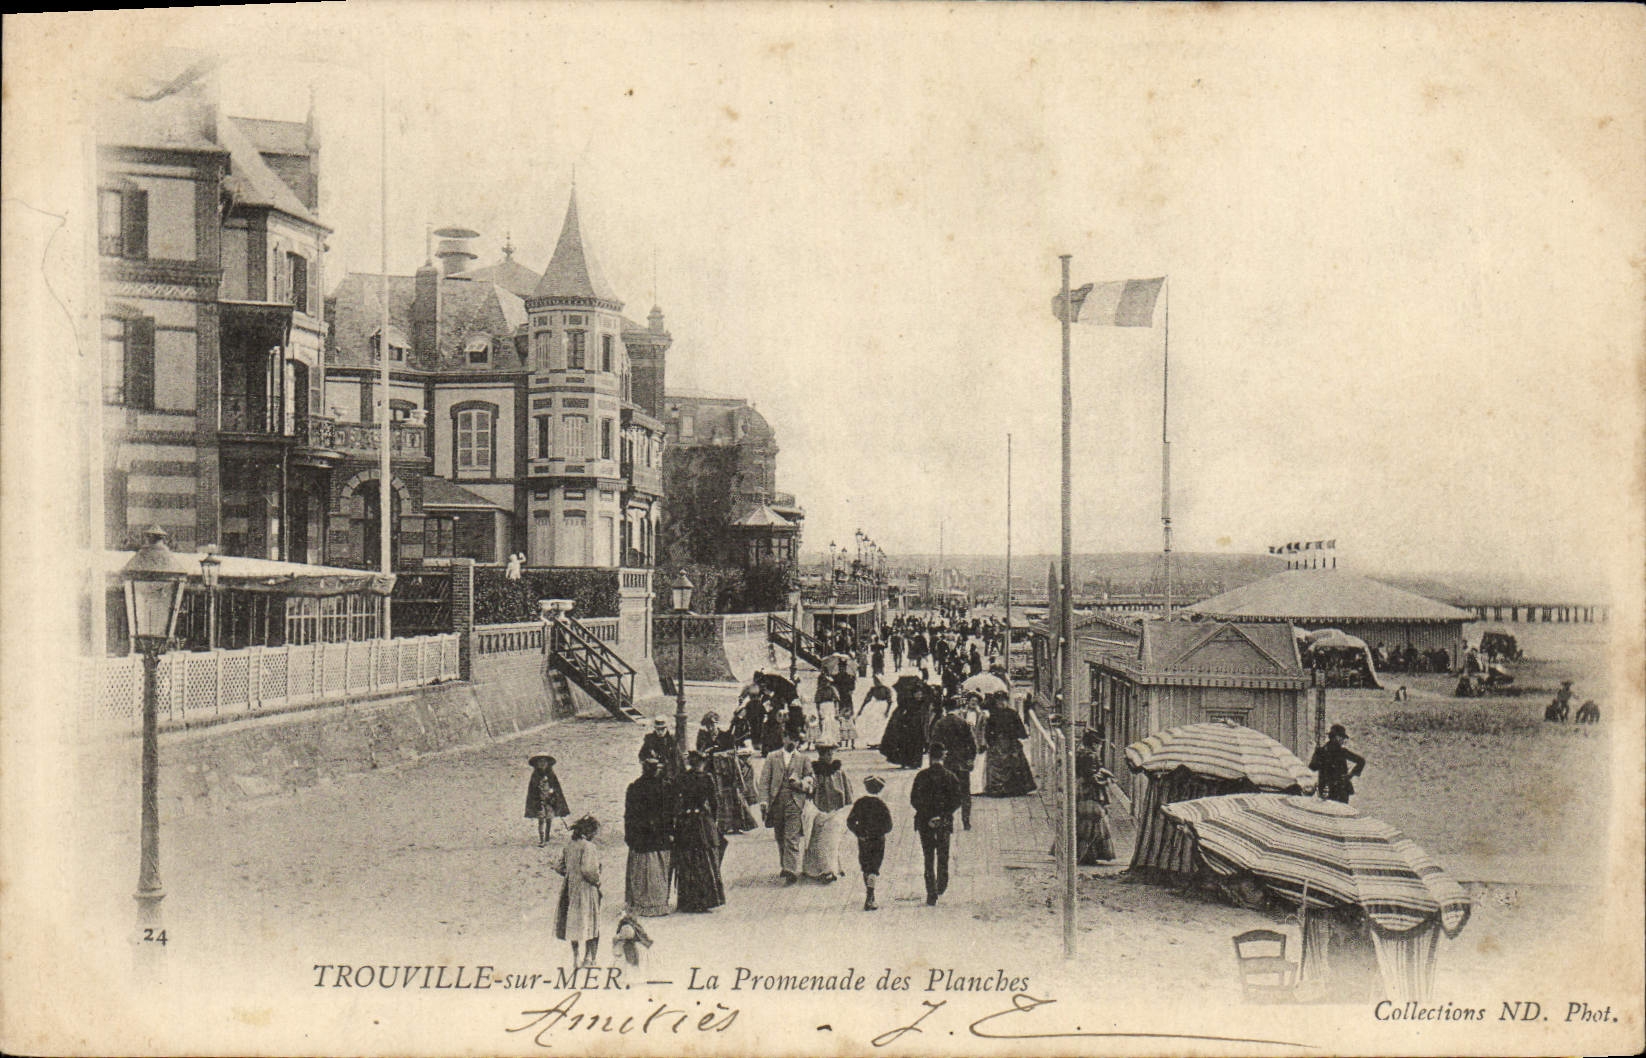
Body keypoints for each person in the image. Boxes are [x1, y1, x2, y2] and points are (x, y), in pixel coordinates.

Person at [910, 742, 965, 906]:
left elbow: (914, 800)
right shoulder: (950, 776)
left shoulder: (921, 776)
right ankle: (941, 885)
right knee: (943, 855)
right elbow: (957, 800)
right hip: (944, 822)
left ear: (929, 757)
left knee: (928, 857)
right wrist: (942, 816)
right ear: (943, 756)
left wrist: (928, 817)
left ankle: (931, 892)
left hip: (925, 823)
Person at [673, 752, 727, 912]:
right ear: (701, 763)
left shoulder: (682, 777)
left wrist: (678, 818)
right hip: (702, 822)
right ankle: (705, 900)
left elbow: (676, 800)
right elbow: (715, 802)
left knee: (687, 858)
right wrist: (713, 820)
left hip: (686, 822)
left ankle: (687, 900)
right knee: (705, 858)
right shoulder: (707, 778)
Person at [623, 755, 674, 917]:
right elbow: (669, 813)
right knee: (656, 869)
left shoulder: (635, 787)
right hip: (656, 837)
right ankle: (655, 902)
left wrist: (630, 833)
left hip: (643, 837)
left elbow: (629, 814)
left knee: (642, 869)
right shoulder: (664, 787)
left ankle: (642, 902)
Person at [759, 736, 814, 883]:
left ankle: (791, 869)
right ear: (783, 739)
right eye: (789, 738)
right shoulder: (772, 757)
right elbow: (764, 780)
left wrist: (802, 784)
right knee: (780, 836)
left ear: (798, 742)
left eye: (795, 740)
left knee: (792, 836)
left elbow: (810, 778)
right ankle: (785, 865)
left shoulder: (803, 759)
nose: (792, 742)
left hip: (794, 802)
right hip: (776, 802)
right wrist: (763, 801)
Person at [554, 815, 603, 966]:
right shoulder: (589, 847)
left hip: (571, 888)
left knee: (573, 923)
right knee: (592, 923)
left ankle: (576, 957)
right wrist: (597, 880)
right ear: (589, 832)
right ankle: (590, 958)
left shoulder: (569, 845)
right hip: (586, 889)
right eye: (594, 832)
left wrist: (570, 874)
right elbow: (588, 869)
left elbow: (559, 866)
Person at [802, 744, 855, 882]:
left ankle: (830, 870)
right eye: (827, 754)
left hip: (834, 811)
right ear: (821, 755)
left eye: (831, 754)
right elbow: (809, 790)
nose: (830, 757)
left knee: (831, 840)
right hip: (818, 810)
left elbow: (846, 789)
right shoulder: (814, 772)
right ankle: (814, 868)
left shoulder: (838, 771)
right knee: (817, 839)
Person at [928, 696, 979, 830]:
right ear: (958, 708)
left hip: (946, 764)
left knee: (945, 793)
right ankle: (966, 821)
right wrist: (970, 760)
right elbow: (973, 745)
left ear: (945, 708)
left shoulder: (939, 724)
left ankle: (947, 820)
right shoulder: (963, 723)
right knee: (965, 793)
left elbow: (934, 745)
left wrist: (933, 763)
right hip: (962, 764)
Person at [846, 774, 894, 911]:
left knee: (865, 867)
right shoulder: (881, 805)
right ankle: (870, 896)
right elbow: (889, 826)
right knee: (874, 867)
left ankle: (869, 894)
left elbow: (850, 821)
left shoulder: (860, 802)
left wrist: (859, 833)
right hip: (878, 841)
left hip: (863, 841)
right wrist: (879, 832)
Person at [981, 694, 1037, 796]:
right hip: (998, 743)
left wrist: (1016, 734)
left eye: (1003, 700)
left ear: (1007, 701)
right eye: (999, 701)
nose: (1001, 703)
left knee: (1015, 763)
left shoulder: (1013, 713)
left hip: (1011, 742)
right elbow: (988, 731)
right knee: (997, 763)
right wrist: (991, 741)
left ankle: (1015, 788)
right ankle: (998, 789)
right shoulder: (993, 715)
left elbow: (1020, 729)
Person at [1075, 731, 1116, 864]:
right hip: (1090, 791)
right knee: (1093, 820)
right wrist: (1106, 779)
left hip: (1081, 789)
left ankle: (1084, 853)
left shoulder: (1081, 752)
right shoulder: (1091, 756)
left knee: (1083, 820)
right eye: (1099, 744)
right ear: (1094, 744)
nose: (1100, 747)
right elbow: (1092, 777)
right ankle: (1087, 854)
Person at [880, 673, 932, 769]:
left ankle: (915, 763)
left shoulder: (923, 704)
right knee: (906, 746)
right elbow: (901, 715)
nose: (919, 696)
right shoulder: (907, 703)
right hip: (907, 728)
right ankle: (905, 762)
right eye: (917, 694)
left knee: (917, 746)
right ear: (913, 694)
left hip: (918, 728)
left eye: (921, 694)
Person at [1309, 723, 1366, 803]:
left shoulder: (1321, 751)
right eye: (1342, 738)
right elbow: (1361, 761)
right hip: (1340, 790)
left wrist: (1317, 755)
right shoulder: (1342, 752)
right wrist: (1350, 775)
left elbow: (1312, 767)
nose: (1343, 741)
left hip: (1326, 790)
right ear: (1337, 737)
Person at [525, 753, 571, 846]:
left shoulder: (551, 775)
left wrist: (553, 797)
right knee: (541, 819)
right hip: (540, 802)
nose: (542, 764)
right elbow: (532, 792)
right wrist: (536, 801)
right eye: (540, 762)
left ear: (547, 763)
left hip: (549, 802)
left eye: (544, 761)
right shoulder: (535, 776)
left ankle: (547, 837)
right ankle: (542, 839)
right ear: (536, 764)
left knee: (549, 819)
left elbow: (557, 789)